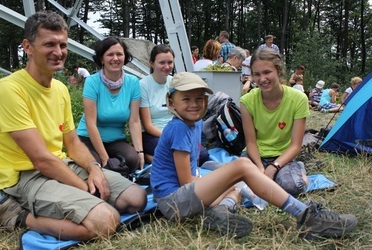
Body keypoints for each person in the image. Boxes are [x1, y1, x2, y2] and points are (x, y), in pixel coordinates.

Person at [0, 11, 146, 240]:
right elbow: (40, 158)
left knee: (136, 199)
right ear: (27, 47)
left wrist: (93, 168)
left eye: (63, 45)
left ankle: (79, 198)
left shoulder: (60, 90)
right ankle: (15, 214)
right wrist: (85, 188)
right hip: (24, 177)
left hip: (60, 163)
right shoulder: (9, 89)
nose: (58, 52)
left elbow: (72, 141)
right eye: (49, 44)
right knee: (107, 221)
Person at [150, 71, 357, 239]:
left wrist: (223, 180)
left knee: (237, 180)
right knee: (240, 167)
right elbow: (186, 180)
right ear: (171, 102)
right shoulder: (178, 128)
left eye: (199, 99)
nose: (194, 104)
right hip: (174, 203)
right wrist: (220, 179)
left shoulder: (193, 124)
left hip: (183, 197)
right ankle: (306, 216)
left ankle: (219, 212)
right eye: (186, 99)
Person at [240, 48, 309, 196]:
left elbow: (296, 145)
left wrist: (273, 167)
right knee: (236, 184)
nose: (262, 79)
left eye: (267, 72)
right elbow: (251, 142)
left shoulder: (298, 99)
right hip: (254, 156)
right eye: (256, 74)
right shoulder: (247, 101)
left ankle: (298, 168)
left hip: (282, 157)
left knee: (293, 187)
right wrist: (259, 167)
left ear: (278, 71)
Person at [77, 36, 145, 172]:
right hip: (89, 137)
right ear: (102, 59)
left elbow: (134, 121)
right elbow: (91, 124)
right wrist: (104, 157)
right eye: (110, 54)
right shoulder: (92, 82)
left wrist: (140, 152)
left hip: (115, 139)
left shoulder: (133, 82)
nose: (115, 58)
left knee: (132, 160)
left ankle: (116, 168)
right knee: (95, 165)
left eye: (119, 54)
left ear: (125, 57)